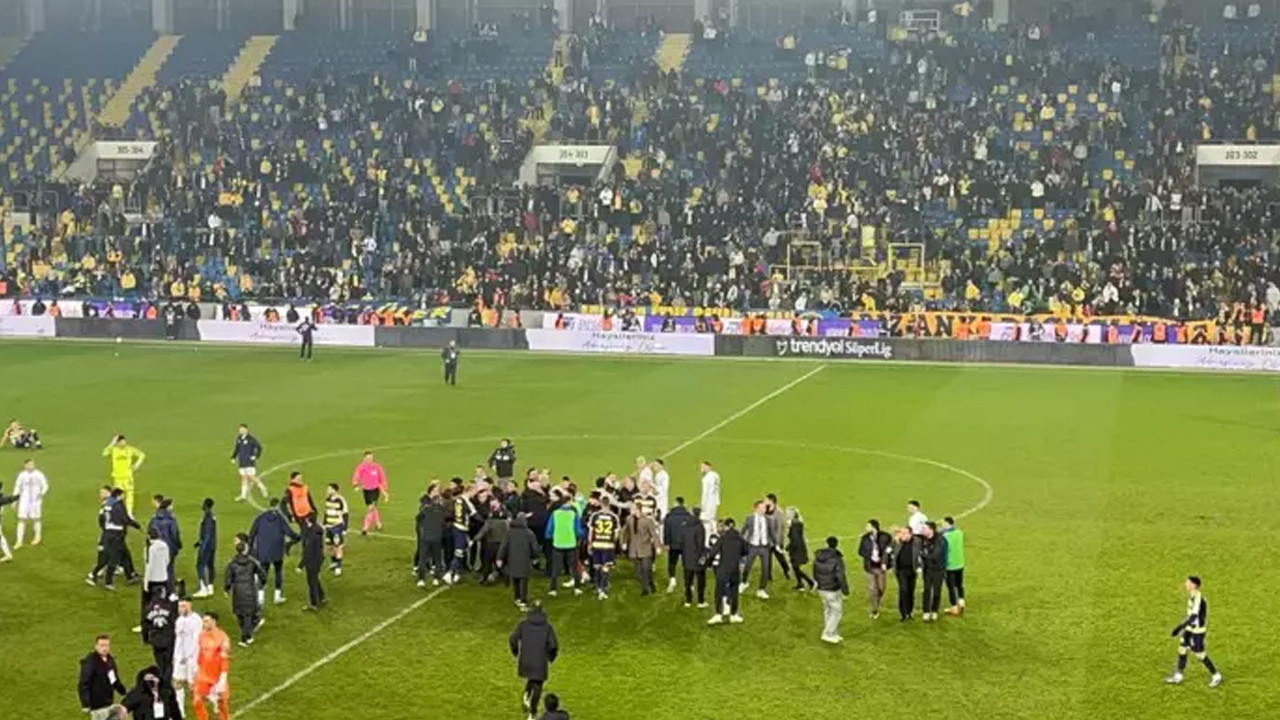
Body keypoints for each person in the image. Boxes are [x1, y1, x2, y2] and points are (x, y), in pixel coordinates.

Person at [1167, 576, 1224, 687]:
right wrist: (1184, 627)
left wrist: (1179, 627)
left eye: (1188, 583)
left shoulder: (1198, 597)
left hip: (1198, 630)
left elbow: (1194, 616)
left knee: (1200, 654)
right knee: (1182, 649)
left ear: (1194, 585)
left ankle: (1216, 675)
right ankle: (1178, 676)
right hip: (1190, 628)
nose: (1185, 584)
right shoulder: (1192, 596)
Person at [509, 602, 559, 720]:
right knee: (538, 686)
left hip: (526, 661)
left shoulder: (523, 624)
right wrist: (550, 657)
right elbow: (553, 645)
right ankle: (532, 713)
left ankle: (527, 694)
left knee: (533, 677)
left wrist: (516, 652)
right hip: (540, 661)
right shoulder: (547, 627)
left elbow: (512, 639)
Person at [248, 497, 299, 604]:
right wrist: (299, 537)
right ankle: (277, 596)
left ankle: (260, 597)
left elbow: (252, 533)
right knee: (278, 572)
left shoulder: (260, 517)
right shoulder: (280, 519)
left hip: (264, 550)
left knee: (263, 572)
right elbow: (289, 532)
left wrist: (250, 548)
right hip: (277, 551)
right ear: (277, 506)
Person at [87, 487, 140, 588]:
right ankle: (102, 579)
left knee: (125, 555)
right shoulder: (118, 505)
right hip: (117, 535)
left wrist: (105, 529)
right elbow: (124, 519)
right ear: (120, 495)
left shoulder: (106, 504)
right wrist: (136, 525)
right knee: (112, 558)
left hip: (108, 533)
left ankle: (130, 576)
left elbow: (101, 519)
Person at [224, 542, 266, 647]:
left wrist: (227, 589)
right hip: (249, 589)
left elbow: (228, 578)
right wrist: (262, 583)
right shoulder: (252, 562)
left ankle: (246, 636)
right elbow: (262, 574)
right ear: (246, 550)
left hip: (238, 591)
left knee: (240, 614)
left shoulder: (232, 563)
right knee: (248, 614)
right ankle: (245, 637)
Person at [79, 634, 128, 720]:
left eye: (107, 645)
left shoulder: (110, 660)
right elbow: (84, 683)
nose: (104, 648)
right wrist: (86, 703)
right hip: (97, 705)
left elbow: (114, 680)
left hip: (108, 702)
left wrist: (124, 691)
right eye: (102, 645)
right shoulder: (90, 662)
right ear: (96, 647)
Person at [192, 612, 231, 720]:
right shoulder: (201, 635)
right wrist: (195, 669)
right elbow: (200, 653)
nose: (204, 624)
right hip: (203, 675)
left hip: (216, 676)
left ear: (214, 621)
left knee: (222, 704)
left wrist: (223, 679)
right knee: (197, 702)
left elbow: (225, 658)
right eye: (203, 621)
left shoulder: (222, 637)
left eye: (206, 621)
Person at [707, 518, 746, 625]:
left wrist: (709, 564)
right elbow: (746, 550)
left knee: (719, 592)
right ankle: (733, 615)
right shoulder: (739, 538)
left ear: (727, 526)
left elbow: (713, 552)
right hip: (735, 569)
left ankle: (718, 615)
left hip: (723, 568)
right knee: (734, 592)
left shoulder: (723, 538)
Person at [813, 536, 851, 643]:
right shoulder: (837, 559)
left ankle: (832, 632)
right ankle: (828, 633)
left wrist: (818, 583)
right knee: (836, 612)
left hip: (822, 588)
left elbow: (815, 572)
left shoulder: (818, 557)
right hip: (832, 589)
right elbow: (841, 576)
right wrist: (845, 591)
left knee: (828, 610)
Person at [498, 514, 540, 608]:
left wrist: (500, 558)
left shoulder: (509, 533)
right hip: (525, 560)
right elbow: (534, 547)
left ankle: (517, 597)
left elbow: (503, 546)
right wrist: (535, 558)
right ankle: (523, 600)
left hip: (512, 560)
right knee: (524, 581)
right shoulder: (529, 533)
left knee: (515, 579)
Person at [621, 499, 660, 596]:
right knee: (639, 572)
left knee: (646, 568)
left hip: (645, 548)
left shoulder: (647, 521)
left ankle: (645, 589)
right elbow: (625, 532)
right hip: (634, 549)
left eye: (633, 509)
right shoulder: (629, 519)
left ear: (638, 510)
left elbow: (654, 534)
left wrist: (657, 546)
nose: (631, 511)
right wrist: (624, 542)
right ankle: (650, 583)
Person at [545, 497, 582, 596]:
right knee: (574, 567)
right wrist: (580, 536)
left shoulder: (555, 514)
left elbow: (549, 529)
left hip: (558, 544)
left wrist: (550, 536)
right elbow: (578, 530)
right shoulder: (573, 514)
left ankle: (553, 589)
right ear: (568, 503)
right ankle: (577, 588)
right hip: (571, 544)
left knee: (556, 568)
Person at [857, 519, 893, 619]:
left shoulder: (885, 537)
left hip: (881, 567)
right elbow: (860, 551)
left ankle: (877, 600)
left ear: (873, 527)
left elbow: (890, 549)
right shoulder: (865, 538)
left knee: (881, 588)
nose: (866, 528)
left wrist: (885, 560)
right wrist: (870, 556)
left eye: (868, 526)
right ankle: (874, 610)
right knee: (873, 589)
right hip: (869, 567)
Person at [141, 586, 178, 680]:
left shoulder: (147, 608)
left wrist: (145, 639)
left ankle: (162, 679)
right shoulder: (169, 606)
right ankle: (166, 681)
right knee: (169, 663)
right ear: (162, 594)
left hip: (156, 639)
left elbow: (144, 625)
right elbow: (174, 620)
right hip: (168, 638)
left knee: (160, 663)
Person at [740, 501, 774, 599]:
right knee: (747, 566)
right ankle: (744, 582)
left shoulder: (768, 519)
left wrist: (776, 544)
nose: (764, 510)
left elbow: (771, 532)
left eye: (765, 508)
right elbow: (743, 530)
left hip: (764, 547)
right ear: (756, 508)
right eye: (762, 508)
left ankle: (761, 589)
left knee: (765, 569)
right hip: (753, 546)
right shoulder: (750, 518)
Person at [103, 434, 145, 514]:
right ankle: (119, 510)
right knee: (118, 494)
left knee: (129, 494)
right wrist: (112, 443)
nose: (123, 443)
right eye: (120, 442)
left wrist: (137, 464)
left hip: (128, 476)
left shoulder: (130, 449)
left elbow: (142, 455)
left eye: (124, 441)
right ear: (117, 443)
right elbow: (105, 453)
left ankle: (129, 512)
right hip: (117, 476)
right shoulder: (114, 450)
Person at [172, 599, 202, 711]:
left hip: (192, 657)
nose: (181, 609)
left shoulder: (196, 620)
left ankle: (212, 701)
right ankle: (180, 710)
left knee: (193, 685)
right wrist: (176, 656)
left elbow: (196, 641)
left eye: (184, 606)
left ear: (190, 606)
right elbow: (178, 640)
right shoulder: (179, 620)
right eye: (179, 606)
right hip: (180, 657)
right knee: (177, 682)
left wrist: (191, 657)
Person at [351, 451, 389, 536]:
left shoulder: (377, 467)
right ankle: (378, 523)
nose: (370, 460)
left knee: (371, 507)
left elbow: (382, 477)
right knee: (373, 508)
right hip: (366, 490)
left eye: (371, 458)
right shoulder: (361, 467)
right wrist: (355, 484)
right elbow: (356, 475)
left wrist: (385, 490)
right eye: (368, 458)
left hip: (375, 490)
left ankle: (365, 527)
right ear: (364, 458)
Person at [13, 458, 48, 548]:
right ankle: (19, 541)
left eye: (32, 464)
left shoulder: (39, 474)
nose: (30, 466)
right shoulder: (22, 475)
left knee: (36, 519)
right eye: (28, 464)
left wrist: (42, 493)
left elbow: (45, 485)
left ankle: (37, 537)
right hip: (24, 500)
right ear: (25, 465)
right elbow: (17, 487)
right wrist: (14, 500)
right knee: (21, 519)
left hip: (36, 500)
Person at [677, 506, 708, 608]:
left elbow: (681, 542)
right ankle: (700, 601)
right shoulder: (699, 527)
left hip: (686, 557)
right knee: (700, 581)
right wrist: (702, 556)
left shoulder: (684, 525)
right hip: (697, 558)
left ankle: (688, 600)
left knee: (688, 581)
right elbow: (700, 544)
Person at [446, 486, 477, 584]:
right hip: (461, 529)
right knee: (459, 553)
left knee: (461, 552)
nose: (475, 494)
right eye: (474, 492)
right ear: (470, 491)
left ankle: (457, 574)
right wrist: (487, 522)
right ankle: (449, 573)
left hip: (456, 527)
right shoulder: (466, 501)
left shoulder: (457, 500)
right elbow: (475, 515)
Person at [415, 492, 446, 587]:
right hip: (437, 537)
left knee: (423, 558)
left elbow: (418, 518)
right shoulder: (442, 510)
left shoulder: (426, 509)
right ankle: (436, 579)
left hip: (426, 537)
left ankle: (421, 580)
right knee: (437, 559)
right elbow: (443, 523)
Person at [148, 496, 182, 582]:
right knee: (169, 567)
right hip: (169, 545)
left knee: (159, 567)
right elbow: (175, 533)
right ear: (168, 507)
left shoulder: (154, 517)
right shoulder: (171, 518)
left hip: (156, 545)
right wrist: (178, 544)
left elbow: (150, 531)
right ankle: (170, 585)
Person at [919, 521, 948, 622]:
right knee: (926, 590)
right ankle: (926, 611)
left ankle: (935, 610)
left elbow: (935, 556)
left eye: (925, 528)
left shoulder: (941, 540)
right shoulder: (924, 539)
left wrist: (922, 554)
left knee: (936, 591)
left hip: (938, 570)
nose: (923, 530)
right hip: (927, 569)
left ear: (931, 529)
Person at [475, 503, 511, 584]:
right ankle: (506, 577)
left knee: (487, 563)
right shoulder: (505, 523)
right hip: (502, 546)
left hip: (491, 546)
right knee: (502, 562)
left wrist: (476, 539)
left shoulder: (489, 522)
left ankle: (484, 578)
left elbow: (483, 532)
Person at [230, 424, 266, 502]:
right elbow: (237, 449)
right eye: (240, 430)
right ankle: (243, 495)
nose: (241, 431)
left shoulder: (251, 439)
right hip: (242, 461)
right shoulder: (239, 438)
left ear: (247, 430)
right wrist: (233, 457)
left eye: (243, 429)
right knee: (243, 478)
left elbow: (259, 447)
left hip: (249, 462)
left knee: (251, 476)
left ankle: (263, 488)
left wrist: (255, 456)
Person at [662, 496, 691, 592]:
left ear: (675, 503)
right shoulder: (688, 516)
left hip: (673, 544)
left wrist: (666, 543)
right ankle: (689, 583)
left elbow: (666, 531)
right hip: (685, 544)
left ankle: (672, 580)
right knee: (686, 564)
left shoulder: (669, 516)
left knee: (672, 563)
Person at [323, 484, 350, 575]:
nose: (327, 490)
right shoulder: (328, 499)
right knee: (329, 547)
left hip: (337, 526)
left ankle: (338, 567)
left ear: (335, 490)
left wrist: (345, 528)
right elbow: (326, 512)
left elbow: (345, 514)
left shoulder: (341, 500)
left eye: (329, 489)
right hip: (329, 526)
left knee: (338, 547)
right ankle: (334, 562)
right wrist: (324, 523)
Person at [300, 517, 327, 610]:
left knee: (312, 581)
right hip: (319, 558)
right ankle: (321, 596)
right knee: (315, 578)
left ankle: (314, 603)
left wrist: (300, 565)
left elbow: (308, 551)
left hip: (312, 560)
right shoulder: (317, 529)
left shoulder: (311, 534)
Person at [942, 516, 966, 615]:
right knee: (959, 584)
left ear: (947, 523)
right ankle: (961, 602)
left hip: (950, 565)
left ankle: (954, 607)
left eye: (943, 523)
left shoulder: (945, 535)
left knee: (951, 587)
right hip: (960, 563)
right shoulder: (959, 533)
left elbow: (945, 550)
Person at [193, 499, 217, 598]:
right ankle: (210, 587)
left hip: (207, 546)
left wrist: (203, 546)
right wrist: (199, 542)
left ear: (206, 505)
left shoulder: (208, 517)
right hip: (212, 544)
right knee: (210, 565)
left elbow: (207, 533)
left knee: (200, 565)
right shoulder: (212, 515)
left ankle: (203, 588)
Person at [786, 507, 814, 590]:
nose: (787, 514)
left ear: (793, 514)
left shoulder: (795, 524)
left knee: (796, 567)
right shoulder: (795, 523)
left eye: (788, 513)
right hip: (799, 548)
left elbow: (795, 539)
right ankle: (800, 584)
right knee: (795, 568)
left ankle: (811, 582)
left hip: (797, 549)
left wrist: (790, 547)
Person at [892, 526, 917, 621]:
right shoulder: (897, 542)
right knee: (904, 590)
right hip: (901, 571)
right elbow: (888, 550)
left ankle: (909, 612)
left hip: (912, 571)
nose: (902, 535)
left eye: (905, 533)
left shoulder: (916, 542)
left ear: (910, 534)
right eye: (901, 533)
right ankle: (903, 613)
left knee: (911, 591)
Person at [765, 494, 792, 580]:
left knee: (780, 557)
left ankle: (786, 570)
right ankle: (768, 576)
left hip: (777, 540)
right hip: (767, 540)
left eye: (767, 500)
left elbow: (780, 529)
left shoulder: (779, 513)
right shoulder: (765, 510)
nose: (765, 501)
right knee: (767, 559)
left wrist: (777, 543)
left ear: (772, 501)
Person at [699, 461, 720, 537]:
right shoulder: (716, 475)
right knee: (713, 519)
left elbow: (705, 493)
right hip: (715, 500)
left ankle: (708, 536)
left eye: (703, 467)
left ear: (708, 467)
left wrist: (703, 504)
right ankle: (715, 533)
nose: (701, 469)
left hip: (708, 502)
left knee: (706, 520)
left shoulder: (706, 478)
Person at [652, 459, 671, 525]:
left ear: (661, 466)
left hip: (662, 498)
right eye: (654, 465)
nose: (655, 467)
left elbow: (665, 488)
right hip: (657, 497)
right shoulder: (657, 475)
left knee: (661, 513)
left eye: (656, 465)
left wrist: (657, 491)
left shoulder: (664, 475)